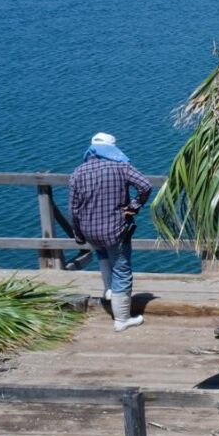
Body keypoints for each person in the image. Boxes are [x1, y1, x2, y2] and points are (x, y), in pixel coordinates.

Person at [69, 132, 152, 332]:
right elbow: (145, 185)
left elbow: (74, 209)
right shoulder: (121, 167)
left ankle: (109, 291)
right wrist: (134, 206)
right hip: (115, 229)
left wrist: (78, 234)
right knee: (121, 270)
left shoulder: (78, 172)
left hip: (90, 230)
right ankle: (122, 319)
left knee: (103, 256)